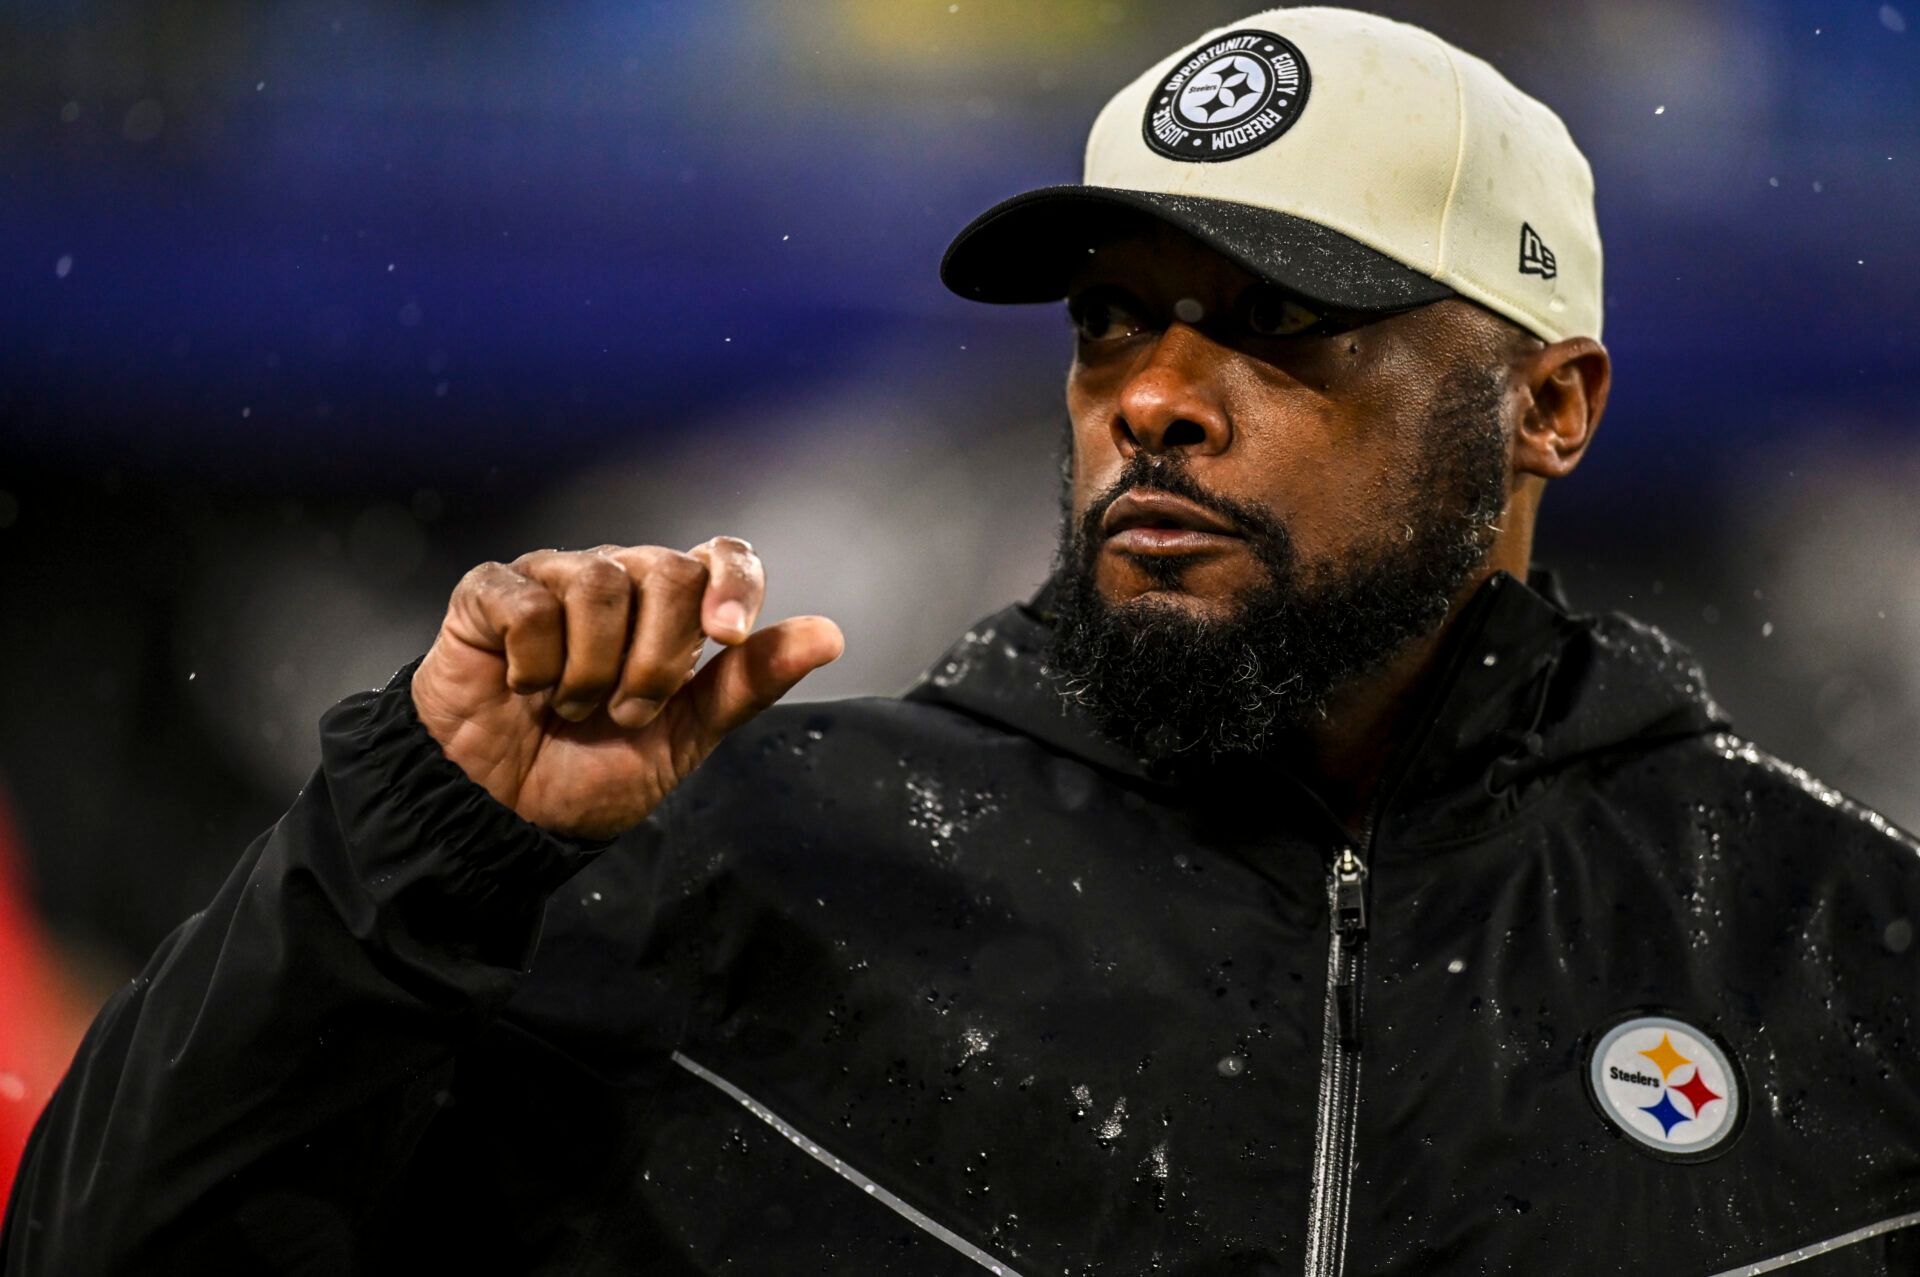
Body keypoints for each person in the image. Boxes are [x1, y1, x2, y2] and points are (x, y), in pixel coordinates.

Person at [6, 6, 1919, 1273]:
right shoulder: (756, 867)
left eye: (1276, 321)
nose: (1154, 397)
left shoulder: (1837, 959)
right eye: (1112, 320)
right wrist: (412, 849)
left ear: (1551, 406)